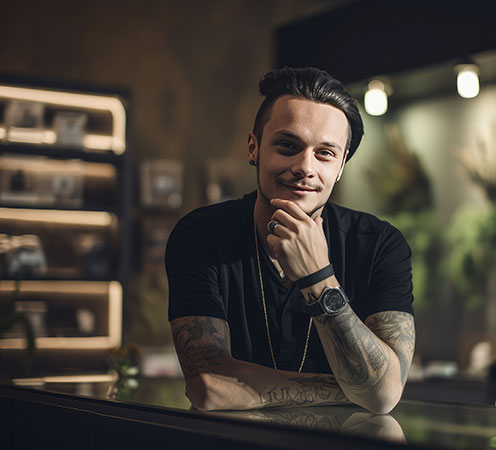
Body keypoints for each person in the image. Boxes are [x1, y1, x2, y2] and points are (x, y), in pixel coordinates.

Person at [166, 67, 415, 414]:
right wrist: (357, 389)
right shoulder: (202, 236)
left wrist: (318, 278)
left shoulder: (379, 245)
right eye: (288, 146)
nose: (304, 166)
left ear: (341, 166)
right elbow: (209, 387)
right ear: (253, 147)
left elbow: (385, 394)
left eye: (325, 153)